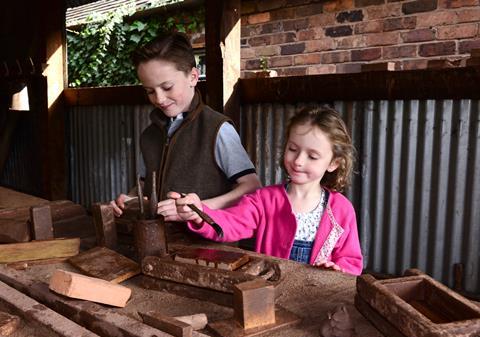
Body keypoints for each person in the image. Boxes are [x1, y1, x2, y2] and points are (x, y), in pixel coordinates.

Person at [169, 106, 363, 275]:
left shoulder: (341, 210)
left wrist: (337, 271)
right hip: (269, 295)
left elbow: (351, 260)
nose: (298, 161)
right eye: (293, 149)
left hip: (317, 299)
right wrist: (199, 213)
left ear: (334, 163)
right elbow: (232, 223)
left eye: (312, 156)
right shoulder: (264, 200)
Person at [110, 32, 261, 221]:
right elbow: (142, 186)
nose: (159, 99)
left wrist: (198, 209)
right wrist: (130, 200)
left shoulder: (217, 129)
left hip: (209, 246)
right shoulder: (149, 136)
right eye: (149, 91)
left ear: (193, 77)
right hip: (159, 243)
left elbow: (251, 186)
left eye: (167, 87)